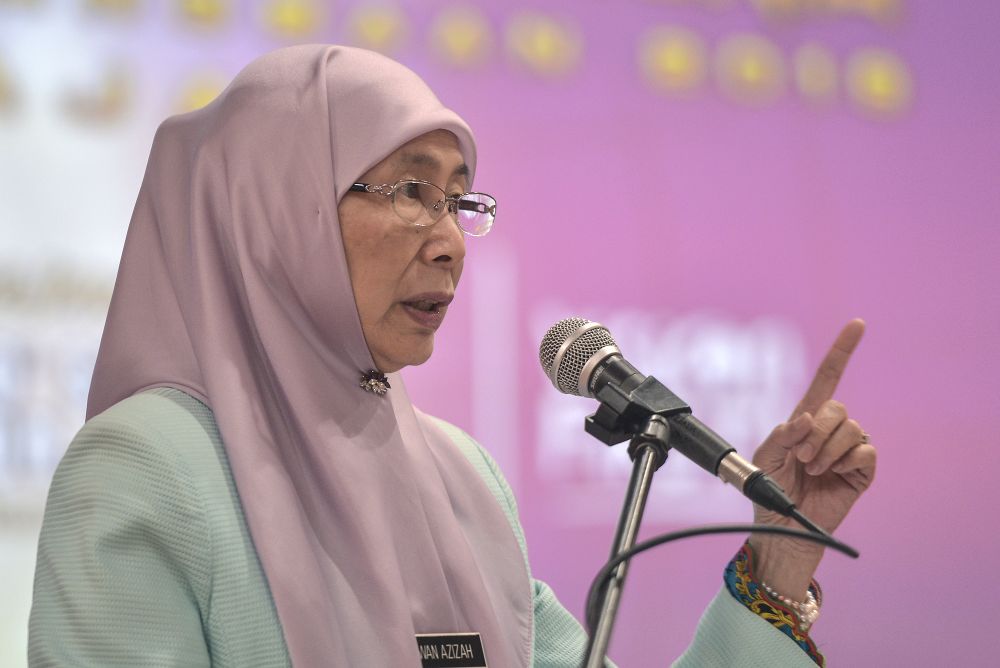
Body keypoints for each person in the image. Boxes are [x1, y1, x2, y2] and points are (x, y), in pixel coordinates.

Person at [28, 45, 876, 667]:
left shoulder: (460, 476)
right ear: (279, 211)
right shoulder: (144, 469)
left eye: (458, 199)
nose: (449, 243)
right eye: (410, 191)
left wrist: (777, 560)